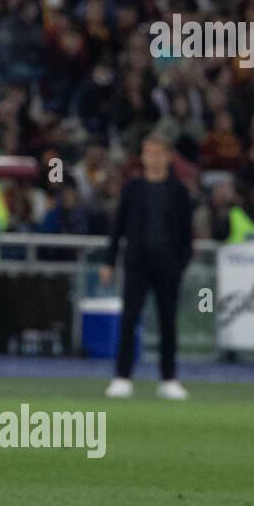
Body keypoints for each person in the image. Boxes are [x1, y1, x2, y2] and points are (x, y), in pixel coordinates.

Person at [100, 133, 193, 400]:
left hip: (168, 265)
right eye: (147, 152)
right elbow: (117, 228)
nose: (152, 158)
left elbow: (187, 233)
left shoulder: (178, 191)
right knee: (129, 319)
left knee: (168, 323)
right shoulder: (133, 189)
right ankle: (122, 376)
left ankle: (168, 378)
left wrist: (180, 263)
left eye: (157, 152)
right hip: (137, 264)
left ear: (167, 156)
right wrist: (110, 261)